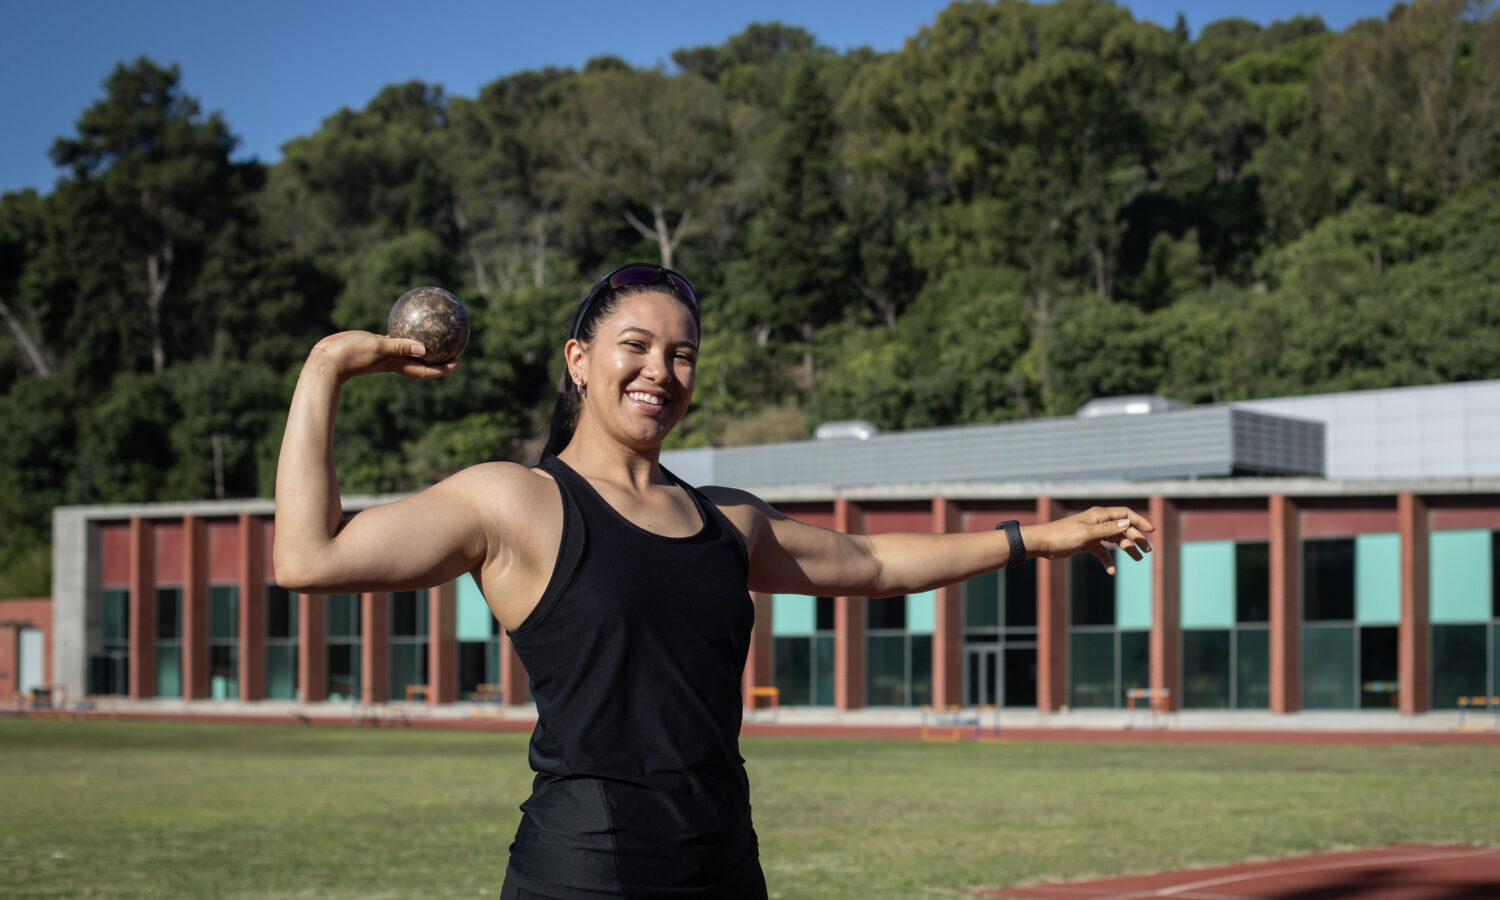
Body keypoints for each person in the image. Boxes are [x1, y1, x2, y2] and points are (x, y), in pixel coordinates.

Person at [273, 263, 1155, 900]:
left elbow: (878, 563)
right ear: (578, 360)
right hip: (589, 870)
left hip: (726, 864)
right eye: (636, 346)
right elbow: (307, 557)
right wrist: (325, 368)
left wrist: (1037, 538)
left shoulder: (727, 520)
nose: (660, 370)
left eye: (682, 354)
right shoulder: (514, 502)